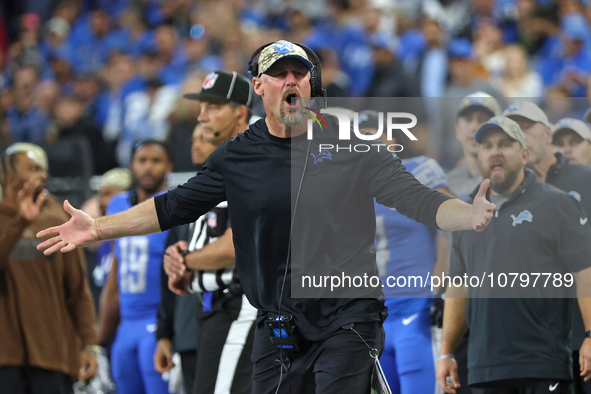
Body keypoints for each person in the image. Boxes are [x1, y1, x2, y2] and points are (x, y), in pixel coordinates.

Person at [37, 40, 495, 394]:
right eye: (279, 75)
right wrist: (98, 228)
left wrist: (467, 213)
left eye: (300, 73)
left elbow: (419, 200)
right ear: (259, 87)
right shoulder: (237, 157)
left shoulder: (353, 146)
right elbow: (171, 207)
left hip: (347, 315)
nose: (291, 81)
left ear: (312, 87)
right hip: (277, 322)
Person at [437, 116, 591, 394]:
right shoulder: (464, 214)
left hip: (544, 362)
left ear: (524, 154)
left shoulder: (558, 204)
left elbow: (584, 271)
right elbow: (458, 285)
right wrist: (446, 352)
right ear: (478, 154)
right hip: (485, 366)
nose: (495, 151)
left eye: (505, 144)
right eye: (487, 145)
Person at [503, 102, 591, 394]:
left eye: (526, 127)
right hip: (536, 344)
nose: (521, 136)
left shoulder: (584, 178)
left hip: (584, 328)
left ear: (547, 133)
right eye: (514, 132)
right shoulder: (506, 193)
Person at [360, 111, 450, 394]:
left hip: (418, 304)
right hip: (377, 315)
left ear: (393, 140)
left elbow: (450, 221)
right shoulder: (350, 188)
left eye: (377, 134)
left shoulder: (419, 170)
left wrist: (442, 275)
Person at [0, 143, 98, 394]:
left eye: (44, 170)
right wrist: (21, 221)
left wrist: (88, 344)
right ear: (10, 177)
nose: (42, 175)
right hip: (5, 360)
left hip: (53, 356)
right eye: (33, 169)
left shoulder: (59, 220)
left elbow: (77, 289)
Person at [97, 140, 173, 394]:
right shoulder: (117, 204)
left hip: (157, 322)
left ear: (169, 166)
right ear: (131, 165)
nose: (148, 167)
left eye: (156, 160)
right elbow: (114, 274)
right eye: (142, 160)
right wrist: (100, 334)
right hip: (126, 324)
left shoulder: (175, 205)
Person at [154, 123, 216, 394]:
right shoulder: (183, 200)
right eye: (193, 138)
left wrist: (189, 260)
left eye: (204, 138)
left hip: (228, 325)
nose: (195, 144)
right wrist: (164, 334)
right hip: (188, 331)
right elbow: (168, 273)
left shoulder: (241, 193)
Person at [447, 92, 502, 201]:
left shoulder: (509, 178)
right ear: (457, 131)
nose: (474, 127)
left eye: (482, 119)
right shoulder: (448, 182)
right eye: (468, 119)